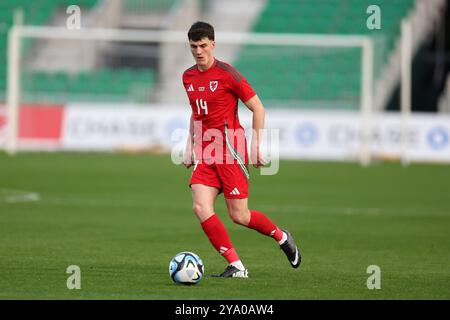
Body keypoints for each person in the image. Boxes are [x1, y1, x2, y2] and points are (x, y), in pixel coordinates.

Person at [182, 21, 301, 278]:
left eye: (203, 45)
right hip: (206, 153)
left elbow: (258, 107)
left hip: (231, 152)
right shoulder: (188, 77)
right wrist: (189, 145)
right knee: (200, 207)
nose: (199, 51)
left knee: (240, 216)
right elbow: (196, 113)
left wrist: (257, 144)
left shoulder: (229, 75)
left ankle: (281, 236)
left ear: (213, 44)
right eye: (194, 46)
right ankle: (236, 266)